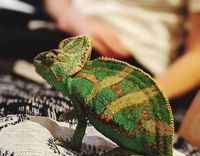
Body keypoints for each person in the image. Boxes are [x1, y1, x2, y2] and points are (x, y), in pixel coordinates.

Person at [43, 0, 200, 100]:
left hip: (126, 65)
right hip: (60, 31)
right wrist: (68, 16)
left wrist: (141, 97)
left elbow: (197, 55)